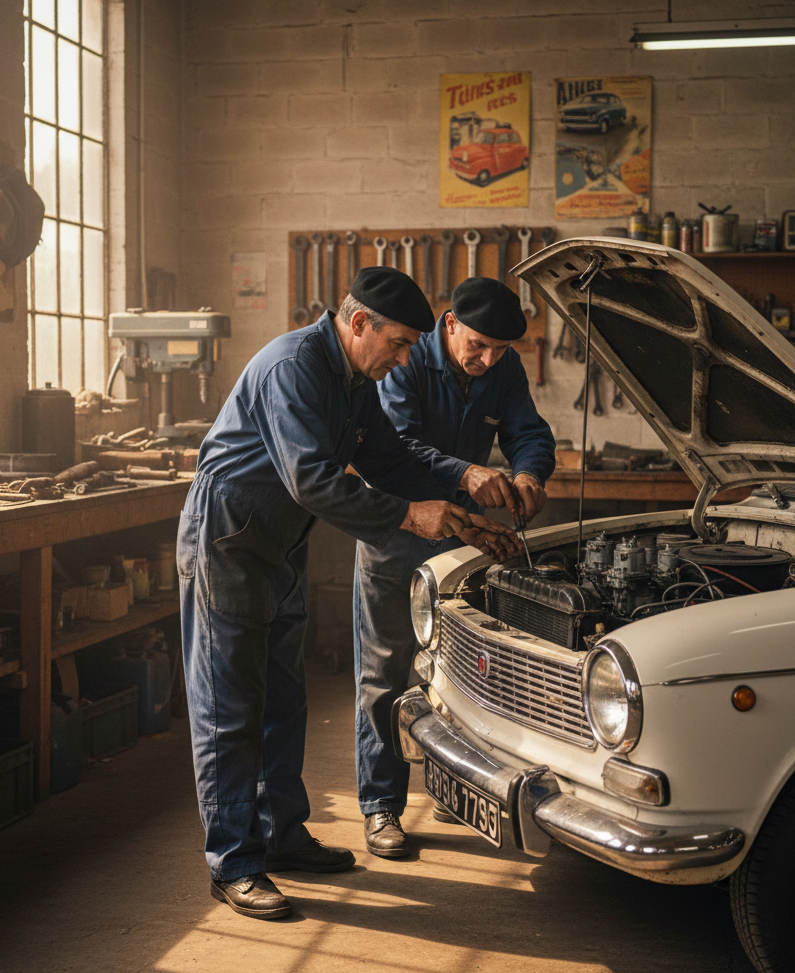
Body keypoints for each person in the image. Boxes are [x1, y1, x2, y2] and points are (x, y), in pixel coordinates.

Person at [177, 266, 522, 921]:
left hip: (278, 541)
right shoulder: (294, 367)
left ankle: (280, 835)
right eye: (398, 344)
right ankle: (234, 864)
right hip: (227, 539)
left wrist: (462, 510)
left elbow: (393, 461)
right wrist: (410, 516)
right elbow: (311, 479)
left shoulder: (356, 379)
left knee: (283, 698)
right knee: (229, 707)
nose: (404, 361)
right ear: (359, 323)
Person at [355, 276, 557, 858]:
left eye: (500, 350)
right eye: (478, 345)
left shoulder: (502, 368)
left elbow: (528, 431)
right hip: (398, 531)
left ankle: (454, 785)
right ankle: (381, 806)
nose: (488, 360)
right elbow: (395, 447)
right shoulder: (406, 359)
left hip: (462, 538)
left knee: (461, 670)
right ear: (450, 325)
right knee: (386, 670)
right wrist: (467, 473)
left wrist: (529, 472)